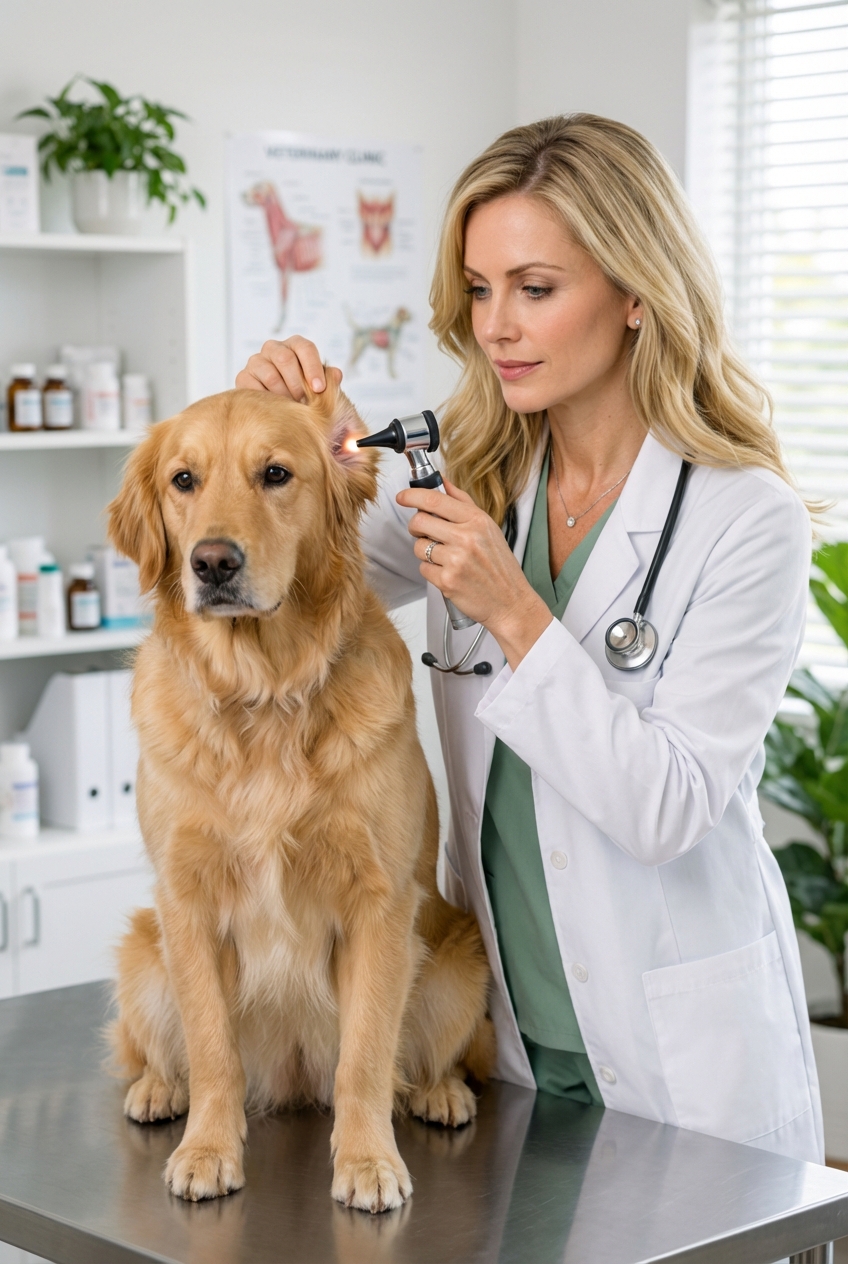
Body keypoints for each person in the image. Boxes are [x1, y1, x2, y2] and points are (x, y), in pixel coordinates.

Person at [236, 114, 823, 1163]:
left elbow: (667, 807)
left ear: (636, 293)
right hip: (506, 1044)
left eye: (535, 289)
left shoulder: (745, 519)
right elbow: (291, 591)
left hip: (681, 1060)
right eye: (478, 287)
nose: (494, 325)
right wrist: (287, 456)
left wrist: (513, 611)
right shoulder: (465, 474)